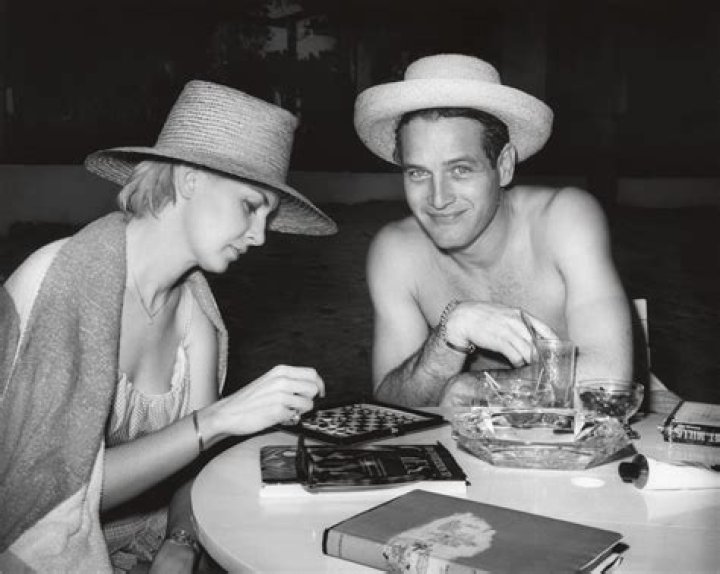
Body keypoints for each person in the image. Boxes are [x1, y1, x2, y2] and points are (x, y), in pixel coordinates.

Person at [0, 80, 337, 573]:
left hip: (146, 541)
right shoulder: (54, 283)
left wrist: (180, 541)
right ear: (190, 179)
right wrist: (216, 420)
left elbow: (194, 469)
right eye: (250, 205)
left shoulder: (195, 311)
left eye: (268, 215)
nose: (260, 236)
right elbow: (45, 498)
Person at [354, 53, 663, 408]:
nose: (437, 199)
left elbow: (608, 381)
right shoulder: (396, 252)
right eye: (418, 173)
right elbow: (390, 405)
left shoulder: (563, 219)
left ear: (503, 166)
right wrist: (449, 333)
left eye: (460, 170)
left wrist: (476, 388)